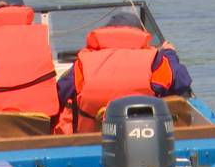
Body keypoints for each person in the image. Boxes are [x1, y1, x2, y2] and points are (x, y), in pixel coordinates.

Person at [54, 12, 192, 134]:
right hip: (146, 136)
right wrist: (169, 54)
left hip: (92, 141)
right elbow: (182, 81)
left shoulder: (83, 63)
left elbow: (59, 94)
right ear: (139, 34)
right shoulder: (155, 60)